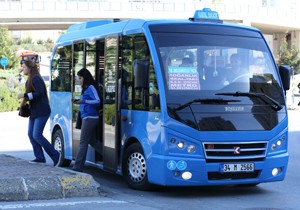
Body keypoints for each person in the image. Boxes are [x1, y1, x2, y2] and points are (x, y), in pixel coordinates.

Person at [17, 60, 61, 166]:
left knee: (37, 135)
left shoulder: (36, 78)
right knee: (31, 134)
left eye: (23, 67)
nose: (22, 69)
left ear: (29, 68)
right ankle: (40, 157)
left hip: (42, 111)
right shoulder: (31, 79)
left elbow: (40, 93)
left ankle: (56, 155)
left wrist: (25, 95)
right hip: (35, 111)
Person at [72, 68, 103, 172]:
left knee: (83, 143)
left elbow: (98, 101)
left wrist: (83, 101)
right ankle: (108, 154)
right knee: (92, 141)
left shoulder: (91, 87)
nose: (79, 80)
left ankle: (78, 166)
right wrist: (78, 101)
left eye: (80, 78)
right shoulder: (85, 88)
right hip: (87, 117)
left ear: (85, 78)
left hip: (90, 118)